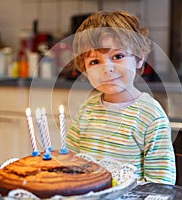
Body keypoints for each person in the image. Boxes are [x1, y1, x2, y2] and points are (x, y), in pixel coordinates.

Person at [66, 10, 176, 185]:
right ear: (84, 71)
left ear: (139, 59)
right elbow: (70, 164)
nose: (107, 69)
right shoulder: (86, 110)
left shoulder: (151, 115)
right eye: (95, 62)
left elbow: (161, 184)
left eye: (118, 56)